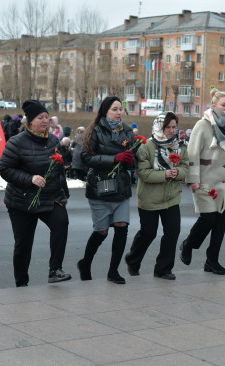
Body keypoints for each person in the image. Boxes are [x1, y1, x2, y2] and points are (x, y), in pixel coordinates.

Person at [0, 99, 71, 287]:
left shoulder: (53, 140)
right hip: (22, 201)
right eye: (40, 117)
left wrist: (65, 191)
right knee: (23, 245)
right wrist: (29, 179)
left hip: (50, 197)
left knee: (61, 223)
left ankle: (55, 270)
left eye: (47, 117)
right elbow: (4, 169)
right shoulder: (17, 142)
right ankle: (21, 283)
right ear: (30, 121)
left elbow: (58, 168)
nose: (45, 121)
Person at [179, 88, 225, 275]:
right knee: (208, 218)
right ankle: (188, 244)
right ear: (214, 105)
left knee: (220, 224)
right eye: (223, 105)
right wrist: (192, 179)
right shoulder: (203, 125)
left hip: (224, 183)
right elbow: (192, 153)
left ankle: (212, 261)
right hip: (204, 181)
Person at [78, 96, 136, 284]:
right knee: (101, 232)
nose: (119, 112)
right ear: (105, 111)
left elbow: (135, 160)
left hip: (121, 187)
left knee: (122, 227)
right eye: (114, 109)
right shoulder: (94, 130)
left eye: (121, 109)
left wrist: (129, 161)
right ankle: (85, 264)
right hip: (100, 186)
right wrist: (114, 158)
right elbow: (86, 157)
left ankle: (113, 271)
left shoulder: (127, 131)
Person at [124, 112, 189, 280]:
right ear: (159, 127)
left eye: (174, 127)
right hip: (149, 198)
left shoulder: (180, 146)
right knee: (148, 233)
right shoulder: (146, 147)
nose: (171, 130)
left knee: (173, 231)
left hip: (171, 197)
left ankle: (163, 268)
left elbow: (185, 166)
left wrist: (178, 172)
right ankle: (133, 259)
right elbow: (143, 174)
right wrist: (166, 174)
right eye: (167, 127)